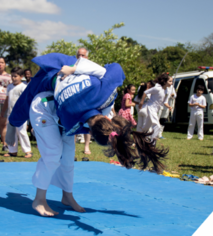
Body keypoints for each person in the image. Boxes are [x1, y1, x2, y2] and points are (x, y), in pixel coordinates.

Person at [9, 53, 168, 217]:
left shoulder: (105, 92)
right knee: (53, 153)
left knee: (69, 156)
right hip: (43, 108)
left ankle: (67, 196)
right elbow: (31, 93)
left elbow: (116, 68)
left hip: (62, 110)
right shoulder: (71, 111)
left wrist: (74, 68)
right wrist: (13, 122)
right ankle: (39, 200)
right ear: (89, 132)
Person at [1, 67, 32, 158]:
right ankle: (12, 151)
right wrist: (3, 110)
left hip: (20, 114)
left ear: (21, 76)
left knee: (21, 132)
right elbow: (7, 99)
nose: (13, 78)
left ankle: (28, 150)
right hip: (10, 114)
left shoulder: (24, 87)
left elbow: (26, 101)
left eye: (16, 76)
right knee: (11, 132)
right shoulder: (9, 87)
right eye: (12, 76)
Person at [137, 73, 173, 142]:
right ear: (164, 81)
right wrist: (141, 102)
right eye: (170, 81)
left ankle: (139, 137)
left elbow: (164, 102)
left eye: (172, 81)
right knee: (157, 126)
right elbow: (145, 92)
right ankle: (152, 144)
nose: (171, 83)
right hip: (151, 108)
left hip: (156, 110)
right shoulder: (157, 88)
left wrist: (169, 106)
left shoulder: (166, 90)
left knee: (145, 127)